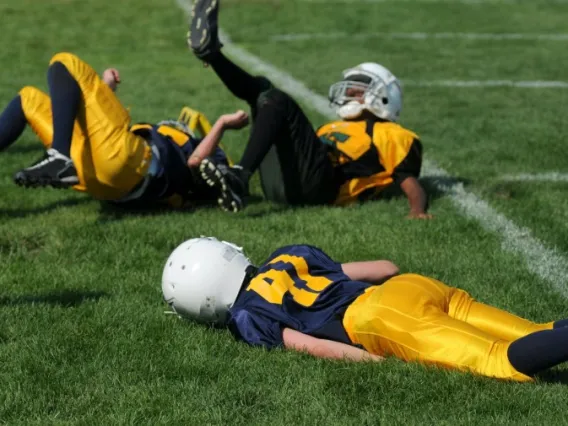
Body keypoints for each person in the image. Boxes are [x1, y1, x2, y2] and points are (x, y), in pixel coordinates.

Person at [162, 237, 568, 382]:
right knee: (535, 330)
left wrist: (376, 362)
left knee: (499, 362)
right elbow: (385, 269)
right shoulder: (286, 256)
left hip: (379, 319)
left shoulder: (246, 316)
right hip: (408, 287)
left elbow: (313, 345)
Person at [187, 0, 430, 218]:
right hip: (289, 183)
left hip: (324, 188)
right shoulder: (335, 126)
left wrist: (417, 210)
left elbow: (408, 180)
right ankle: (213, 55)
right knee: (263, 90)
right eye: (349, 89)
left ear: (386, 97)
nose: (349, 94)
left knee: (278, 99)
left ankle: (239, 177)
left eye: (357, 91)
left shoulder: (393, 134)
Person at [0, 52, 249, 209]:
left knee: (65, 62)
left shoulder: (209, 159)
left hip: (129, 166)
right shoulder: (180, 164)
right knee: (27, 99)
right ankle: (61, 158)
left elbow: (195, 161)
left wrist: (222, 125)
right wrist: (105, 88)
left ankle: (59, 157)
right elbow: (96, 131)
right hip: (99, 178)